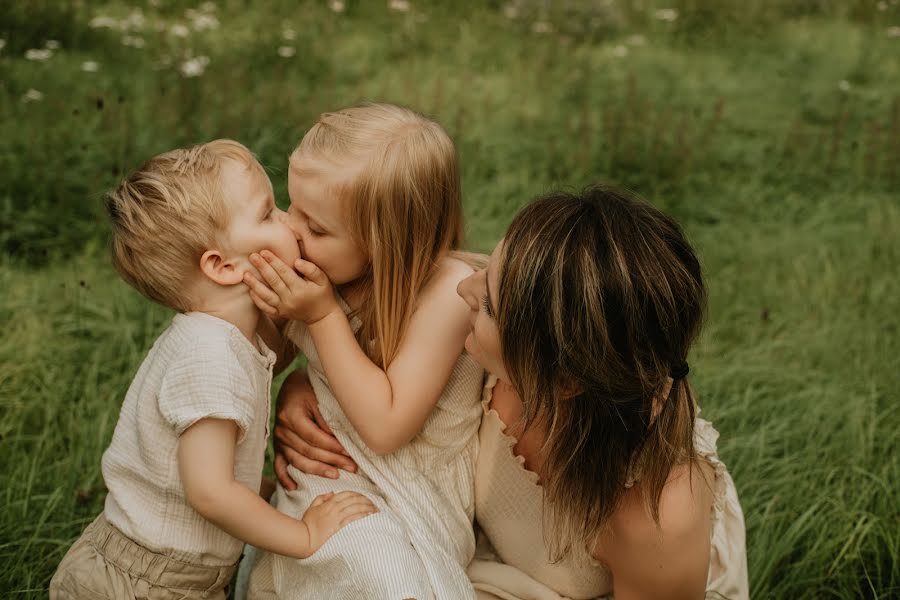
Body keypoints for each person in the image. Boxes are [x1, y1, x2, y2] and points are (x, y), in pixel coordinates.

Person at [279, 185, 750, 599]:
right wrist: (302, 390)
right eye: (489, 268)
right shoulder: (494, 327)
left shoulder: (657, 517)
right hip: (474, 558)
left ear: (563, 383)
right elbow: (366, 360)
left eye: (488, 304)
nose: (464, 284)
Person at [49, 140, 377, 600]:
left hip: (164, 570)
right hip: (148, 583)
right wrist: (302, 535)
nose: (287, 220)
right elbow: (209, 492)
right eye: (268, 214)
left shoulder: (225, 336)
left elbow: (274, 359)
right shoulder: (210, 358)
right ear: (222, 266)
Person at [240, 104, 485, 599]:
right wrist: (289, 374)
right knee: (347, 550)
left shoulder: (447, 294)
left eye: (317, 227)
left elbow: (386, 428)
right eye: (292, 208)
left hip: (414, 492)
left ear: (387, 241)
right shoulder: (322, 274)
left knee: (385, 570)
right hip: (333, 473)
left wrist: (322, 317)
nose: (292, 230)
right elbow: (255, 366)